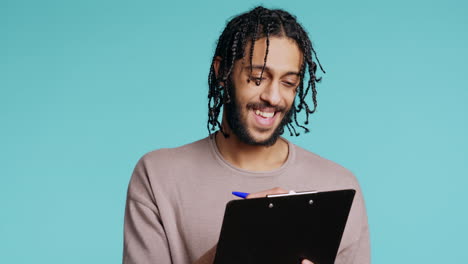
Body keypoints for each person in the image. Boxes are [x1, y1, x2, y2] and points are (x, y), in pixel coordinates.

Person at [122, 6, 370, 264]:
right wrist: (233, 247)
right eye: (258, 77)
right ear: (222, 72)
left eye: (288, 82)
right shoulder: (158, 175)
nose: (273, 97)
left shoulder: (338, 185)